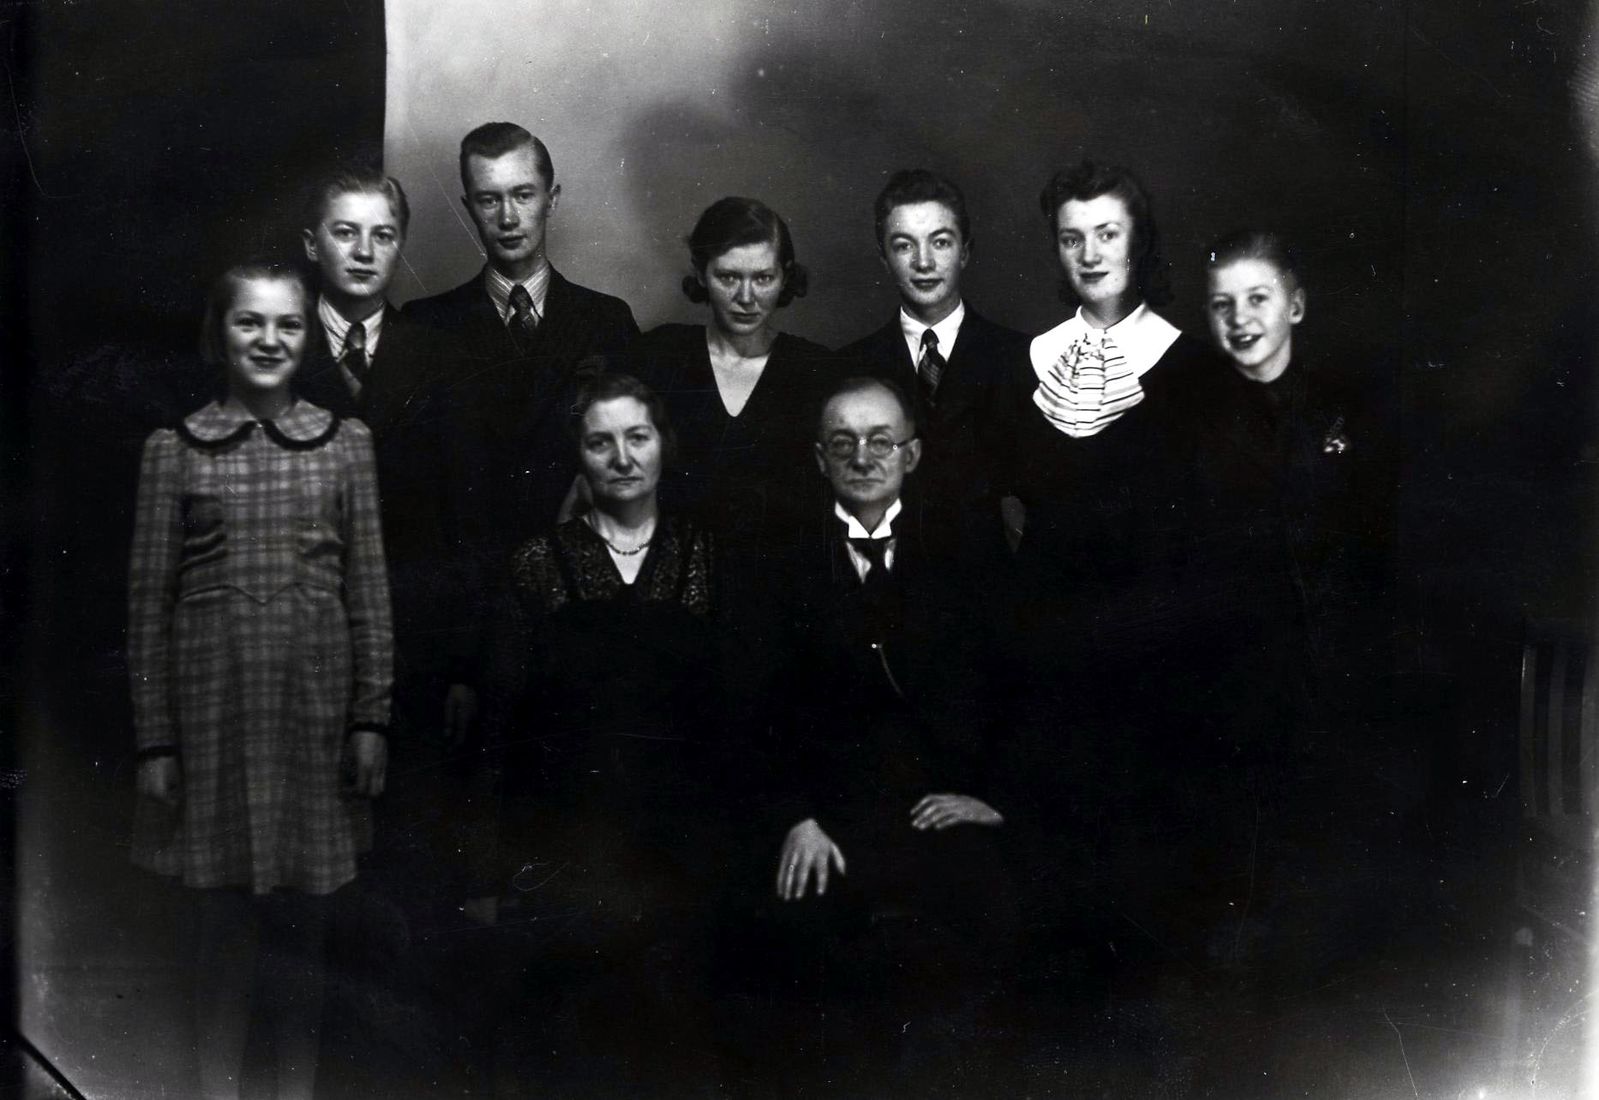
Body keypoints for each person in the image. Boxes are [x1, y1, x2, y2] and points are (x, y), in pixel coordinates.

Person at [128, 261, 391, 1100]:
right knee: (222, 929)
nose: (269, 340)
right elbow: (147, 606)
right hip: (214, 717)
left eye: (287, 324)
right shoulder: (174, 451)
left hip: (314, 715)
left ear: (307, 337)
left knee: (305, 931)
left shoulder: (345, 445)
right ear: (221, 334)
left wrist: (370, 721)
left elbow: (369, 593)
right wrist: (156, 741)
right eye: (250, 323)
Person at [470, 372, 729, 1096]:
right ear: (577, 457)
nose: (622, 458)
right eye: (600, 442)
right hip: (570, 847)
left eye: (637, 437)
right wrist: (490, 871)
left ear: (664, 445)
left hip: (681, 850)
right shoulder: (537, 564)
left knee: (677, 1044)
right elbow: (501, 726)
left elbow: (731, 718)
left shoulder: (708, 557)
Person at [765, 375, 1013, 1094]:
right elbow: (751, 708)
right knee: (806, 962)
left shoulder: (966, 551)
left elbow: (1014, 689)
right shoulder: (778, 560)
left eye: (881, 441)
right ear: (819, 459)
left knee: (983, 930)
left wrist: (989, 798)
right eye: (843, 443)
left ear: (912, 454)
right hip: (828, 817)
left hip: (941, 806)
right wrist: (796, 817)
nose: (862, 457)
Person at [402, 122, 640, 741]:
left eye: (523, 195)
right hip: (466, 621)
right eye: (489, 199)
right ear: (468, 207)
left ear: (551, 198)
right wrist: (456, 657)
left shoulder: (608, 323)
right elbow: (420, 507)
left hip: (579, 612)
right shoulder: (425, 327)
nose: (508, 217)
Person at [837, 169, 1030, 560]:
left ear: (965, 251)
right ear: (884, 259)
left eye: (940, 242)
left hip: (991, 586)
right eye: (904, 246)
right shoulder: (849, 368)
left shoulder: (1022, 358)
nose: (923, 262)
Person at [630, 195, 834, 549]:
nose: (746, 297)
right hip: (673, 569)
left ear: (785, 276)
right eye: (728, 277)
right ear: (700, 273)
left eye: (763, 278)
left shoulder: (816, 370)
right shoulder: (660, 356)